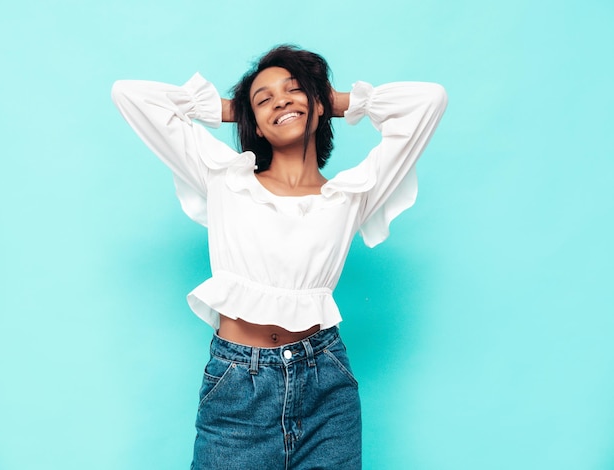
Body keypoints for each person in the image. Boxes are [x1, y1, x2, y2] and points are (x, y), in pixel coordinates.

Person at [111, 45, 447, 470]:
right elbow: (130, 95)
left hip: (327, 388)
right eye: (264, 98)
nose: (282, 101)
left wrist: (330, 100)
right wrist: (236, 110)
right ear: (254, 122)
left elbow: (429, 101)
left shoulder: (351, 195)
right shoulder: (224, 178)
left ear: (317, 102)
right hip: (238, 389)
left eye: (293, 90)